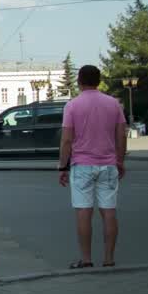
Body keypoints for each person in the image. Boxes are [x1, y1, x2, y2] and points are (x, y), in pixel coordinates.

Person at [57, 64, 127, 269]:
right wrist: (120, 160)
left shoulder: (72, 106)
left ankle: (86, 259)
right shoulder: (114, 104)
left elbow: (67, 140)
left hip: (82, 166)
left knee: (83, 212)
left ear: (79, 81)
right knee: (109, 212)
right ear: (99, 81)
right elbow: (121, 135)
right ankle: (109, 259)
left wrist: (63, 167)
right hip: (108, 165)